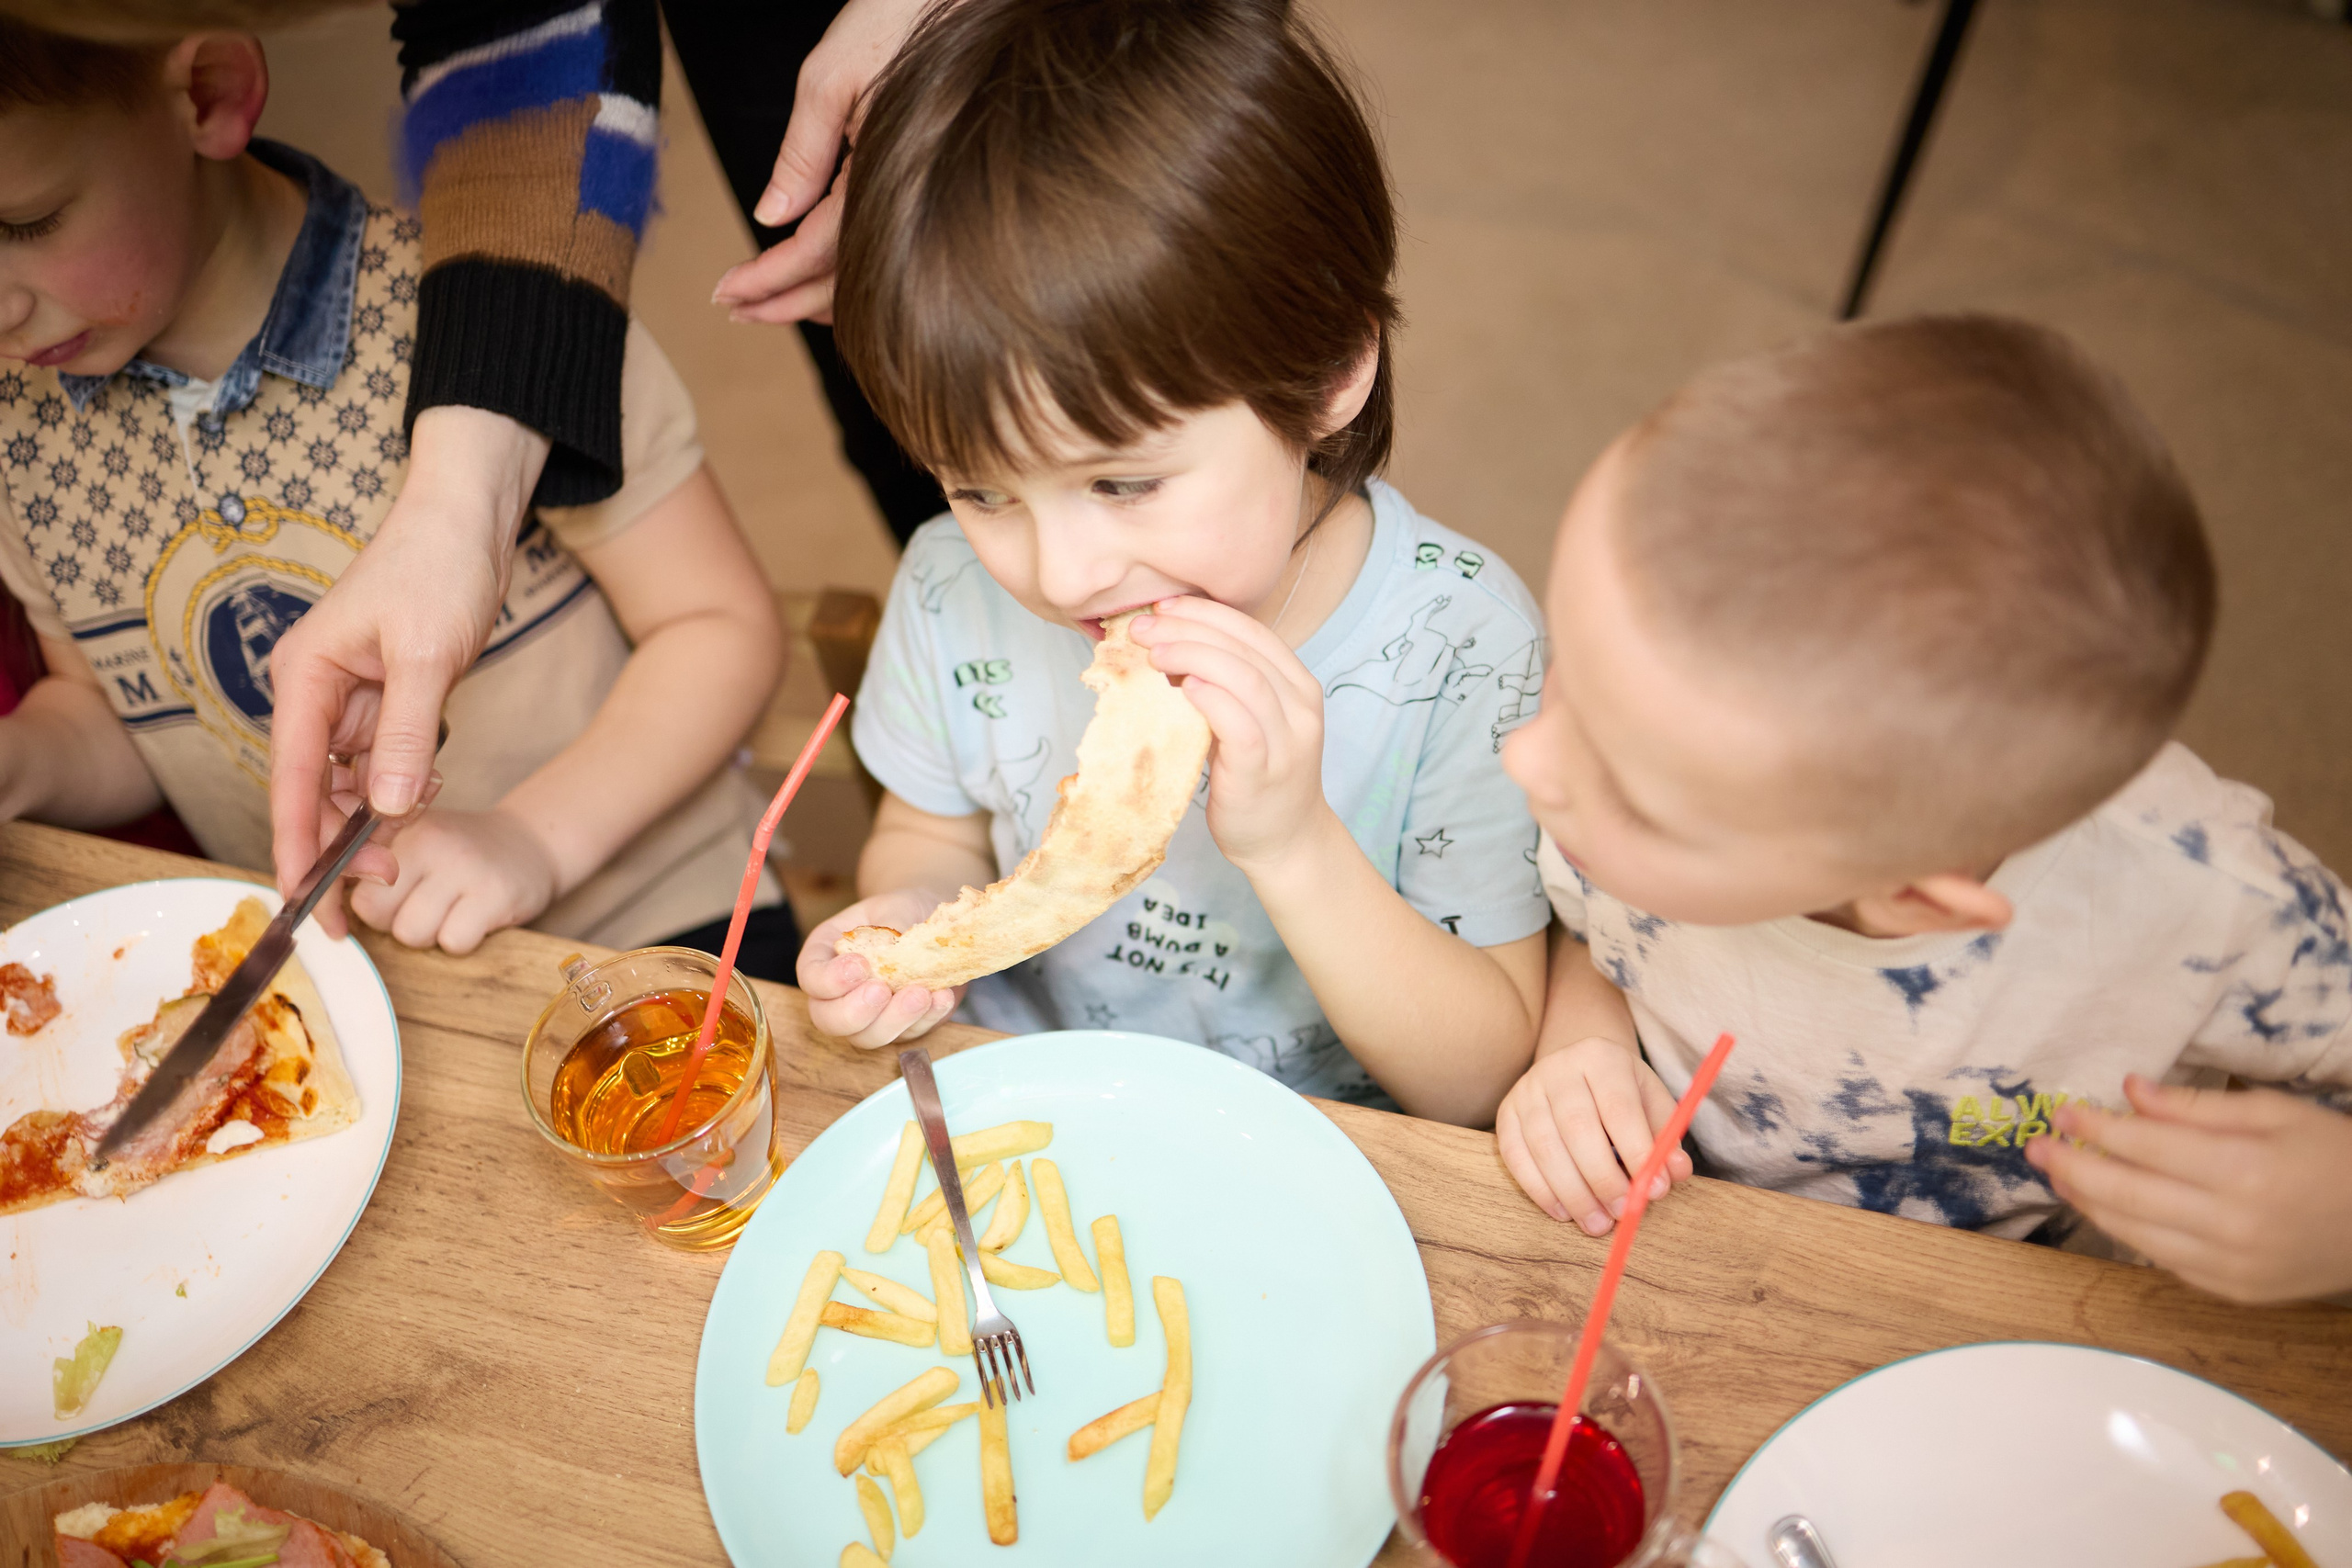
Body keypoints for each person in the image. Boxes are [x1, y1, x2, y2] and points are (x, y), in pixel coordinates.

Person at [1492, 313, 2352, 1303]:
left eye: (1635, 800)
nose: (1527, 758)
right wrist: (1581, 1039)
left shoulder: (2209, 904)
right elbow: (1581, 931)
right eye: (1568, 674)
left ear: (1916, 902)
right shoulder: (1639, 763)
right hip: (1688, 1272)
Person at [792, 0, 1552, 1121]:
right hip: (1035, 1099)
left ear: (1333, 364)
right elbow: (930, 831)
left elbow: (1482, 1077)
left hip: (1338, 1145)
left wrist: (1294, 845)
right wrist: (906, 919)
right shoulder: (953, 586)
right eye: (980, 488)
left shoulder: (1462, 645)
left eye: (1122, 483)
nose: (1059, 576)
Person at [0, 19, 798, 970]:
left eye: (26, 225)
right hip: (368, 983)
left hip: (662, 933)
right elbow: (119, 716)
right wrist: (26, 762)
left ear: (207, 95)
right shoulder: (21, 430)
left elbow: (717, 625)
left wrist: (534, 840)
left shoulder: (506, 307)